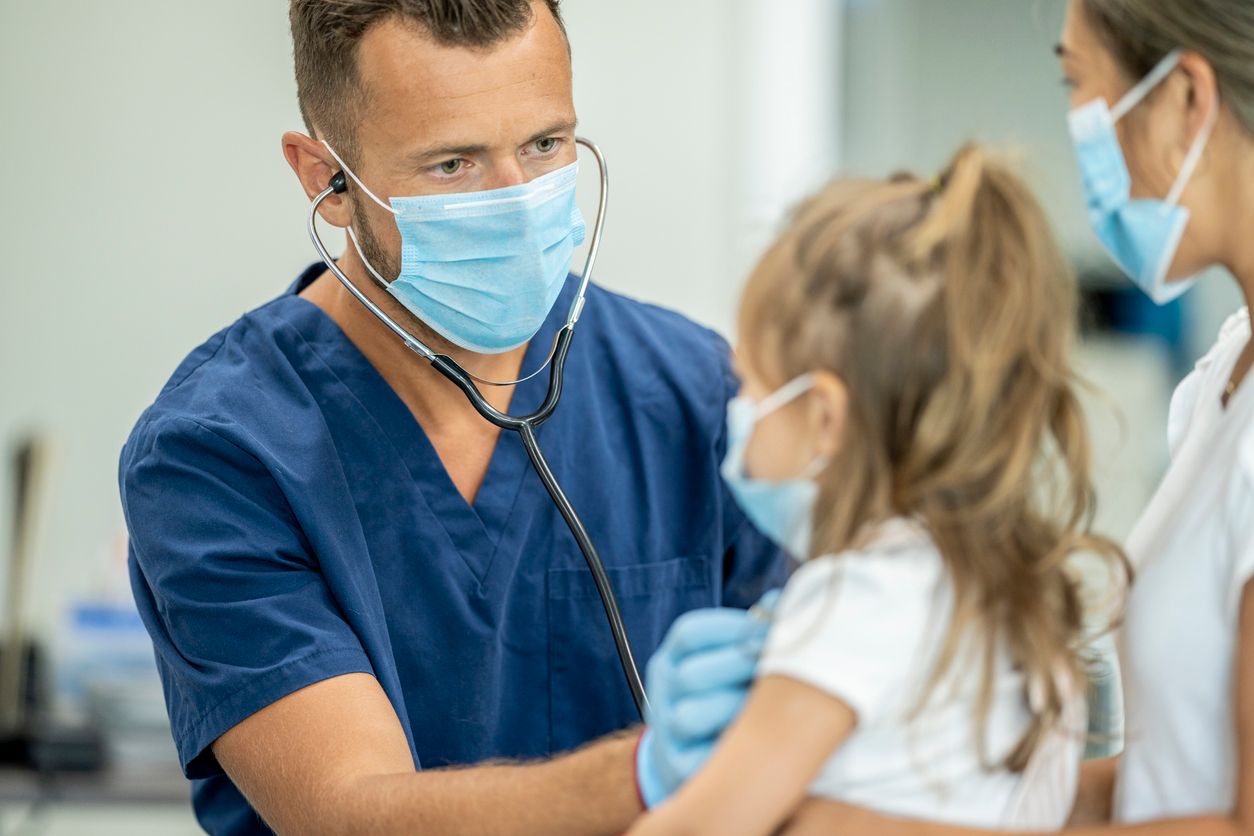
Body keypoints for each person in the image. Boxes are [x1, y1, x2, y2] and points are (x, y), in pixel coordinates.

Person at [117, 1, 785, 833]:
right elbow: (348, 813)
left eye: (545, 145)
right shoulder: (216, 452)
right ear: (323, 177)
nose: (519, 200)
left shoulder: (694, 392)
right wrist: (652, 774)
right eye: (452, 165)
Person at [744, 0, 1254, 832]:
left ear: (1185, 100)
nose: (1076, 125)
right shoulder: (1223, 380)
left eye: (1076, 81)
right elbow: (1171, 783)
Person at [626, 145, 1125, 836]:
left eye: (751, 387)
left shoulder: (855, 599)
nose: (737, 413)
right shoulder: (1000, 593)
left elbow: (704, 826)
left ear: (824, 417)